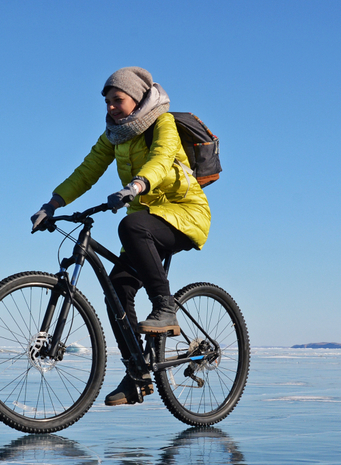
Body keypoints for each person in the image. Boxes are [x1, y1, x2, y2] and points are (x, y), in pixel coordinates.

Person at [30, 67, 211, 407]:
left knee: (129, 226)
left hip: (184, 213)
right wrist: (52, 204)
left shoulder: (163, 123)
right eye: (107, 102)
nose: (110, 108)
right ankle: (137, 375)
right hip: (145, 221)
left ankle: (165, 307)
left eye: (118, 100)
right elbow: (87, 171)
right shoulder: (114, 136)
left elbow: (160, 159)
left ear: (139, 98)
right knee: (118, 290)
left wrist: (137, 185)